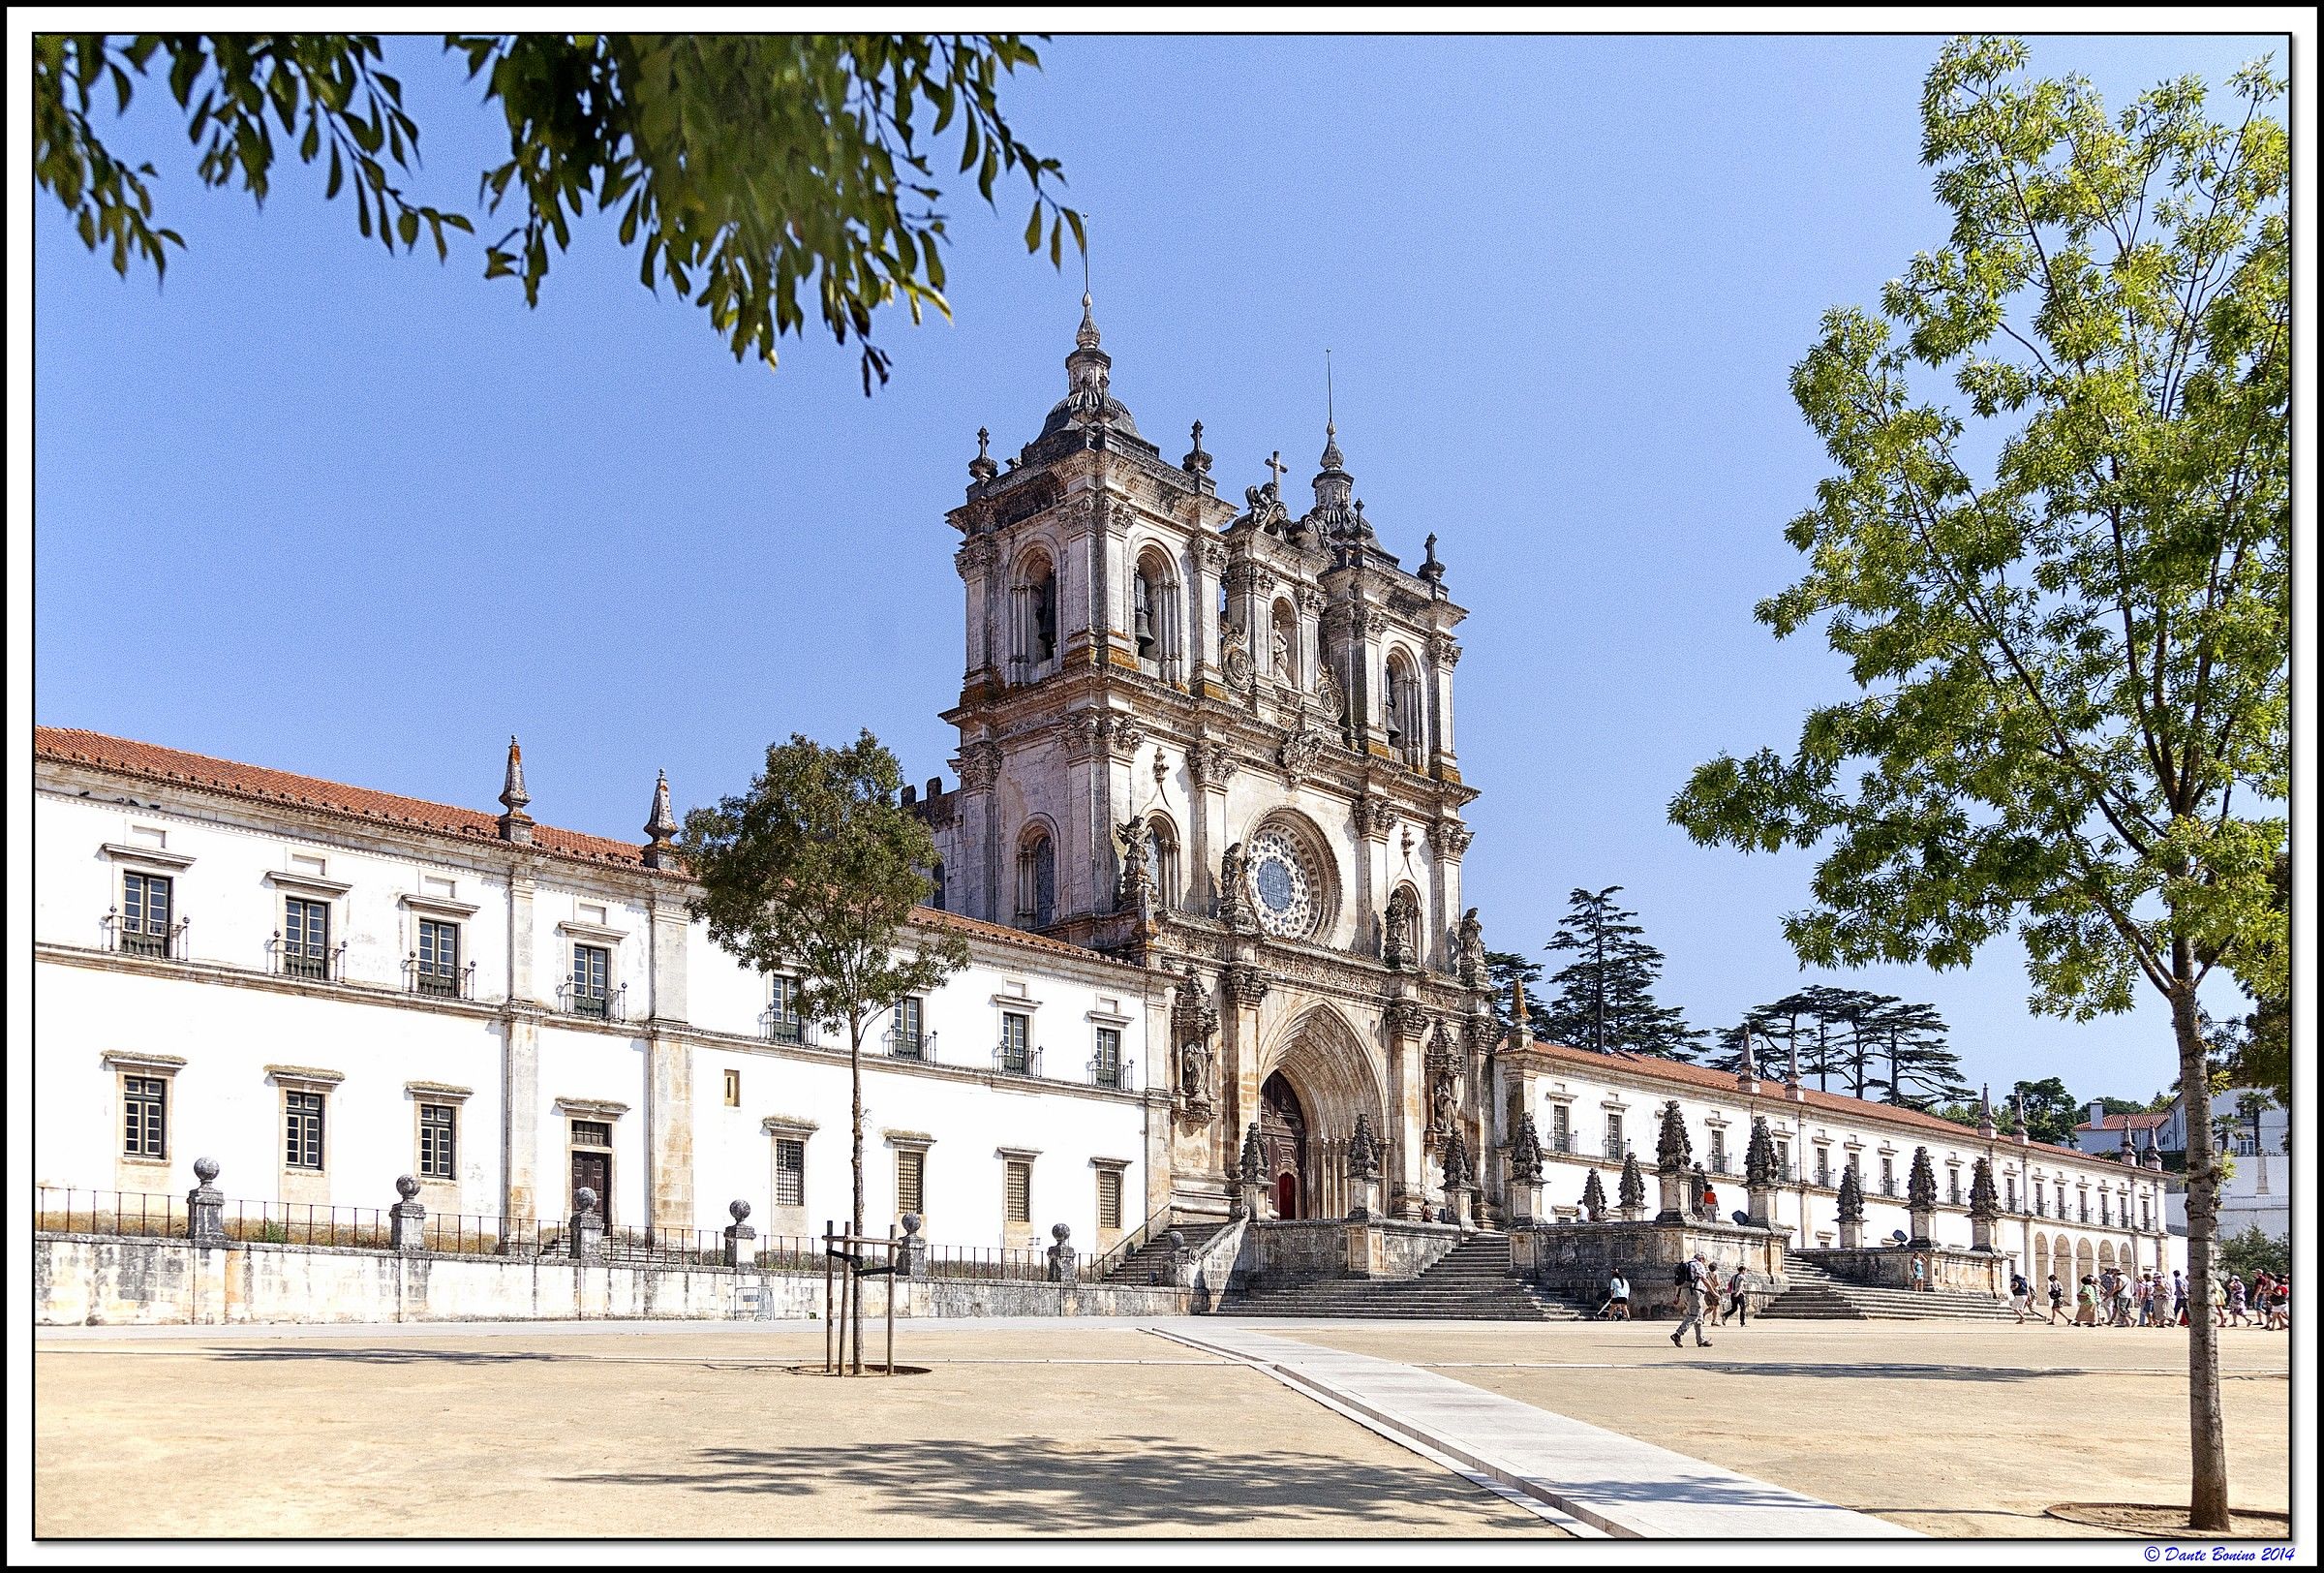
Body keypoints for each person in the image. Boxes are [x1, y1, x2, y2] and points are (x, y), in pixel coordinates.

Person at [1669, 1251, 1714, 1348]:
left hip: (1686, 1292)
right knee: (1694, 1315)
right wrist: (1714, 1293)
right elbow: (1704, 1280)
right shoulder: (1698, 1265)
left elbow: (1679, 1283)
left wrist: (1677, 1295)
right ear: (1701, 1258)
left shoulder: (1686, 1265)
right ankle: (1677, 1334)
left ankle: (1701, 1340)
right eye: (1704, 1260)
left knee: (1699, 1317)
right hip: (1695, 1292)